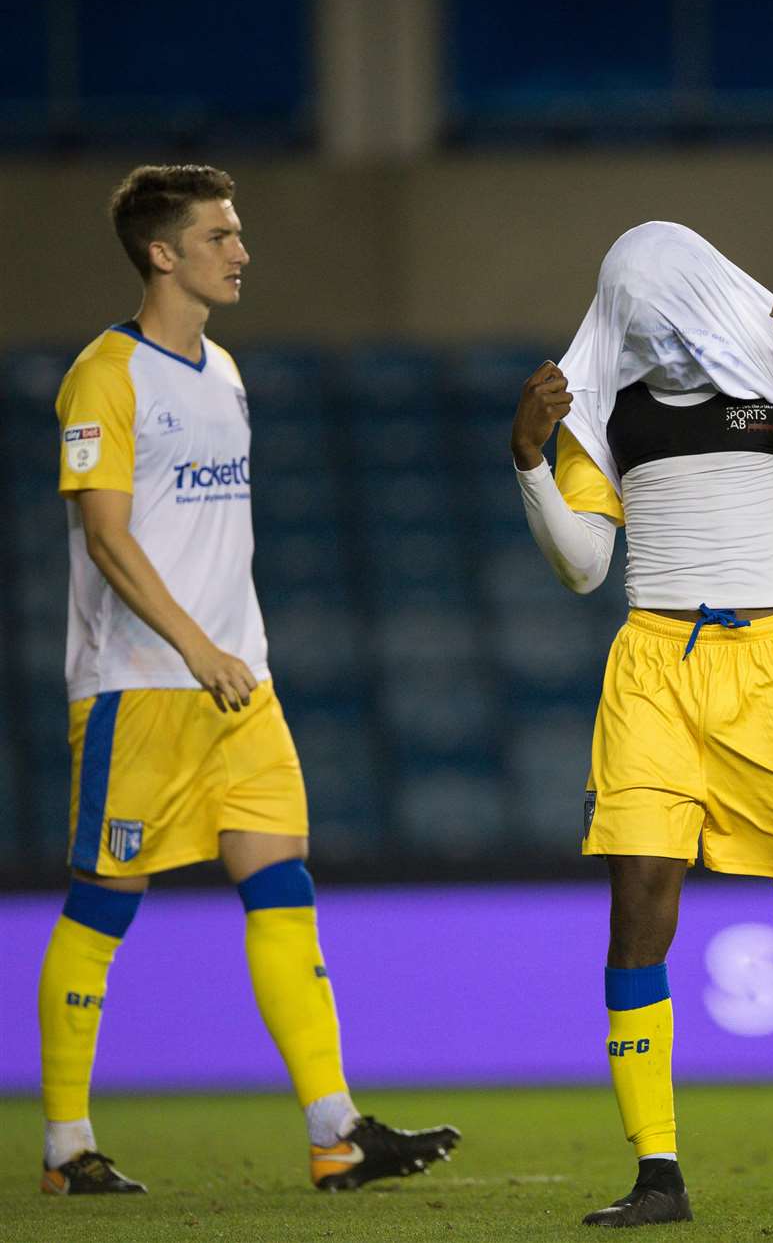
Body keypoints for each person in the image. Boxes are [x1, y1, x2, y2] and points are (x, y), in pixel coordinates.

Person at [38, 164, 459, 1195]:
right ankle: (65, 1146)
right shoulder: (105, 374)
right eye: (220, 235)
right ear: (161, 252)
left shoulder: (223, 370)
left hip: (240, 685)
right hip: (141, 686)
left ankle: (335, 1129)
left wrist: (231, 654)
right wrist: (194, 646)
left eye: (237, 233)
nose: (241, 250)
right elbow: (106, 537)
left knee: (282, 884)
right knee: (106, 898)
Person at [511, 222, 773, 1226]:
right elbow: (583, 567)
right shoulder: (610, 414)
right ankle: (657, 1171)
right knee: (639, 907)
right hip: (652, 665)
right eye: (630, 308)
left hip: (770, 663)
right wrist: (528, 460)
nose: (652, 324)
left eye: (665, 300)